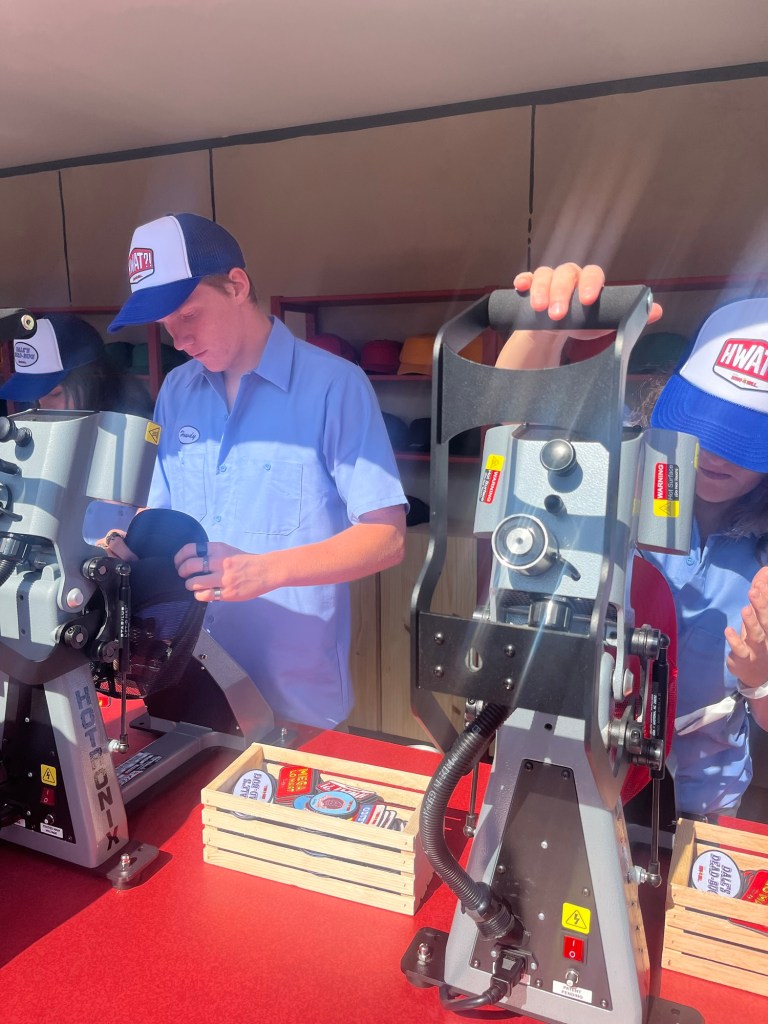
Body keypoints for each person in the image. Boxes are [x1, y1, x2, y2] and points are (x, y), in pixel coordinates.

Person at [106, 212, 407, 730]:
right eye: (166, 325)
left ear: (237, 286)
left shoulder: (335, 386)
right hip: (185, 678)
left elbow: (387, 538)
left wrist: (265, 570)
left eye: (189, 314)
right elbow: (159, 511)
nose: (180, 340)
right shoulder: (177, 390)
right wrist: (126, 549)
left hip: (293, 696)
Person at [497, 262, 768, 821]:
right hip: (580, 773)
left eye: (746, 442)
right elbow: (513, 423)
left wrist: (760, 681)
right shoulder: (619, 456)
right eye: (706, 424)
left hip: (700, 796)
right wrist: (543, 330)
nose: (716, 455)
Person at [0, 312, 154, 416]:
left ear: (95, 378)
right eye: (33, 397)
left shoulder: (133, 425)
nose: (42, 407)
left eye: (55, 394)